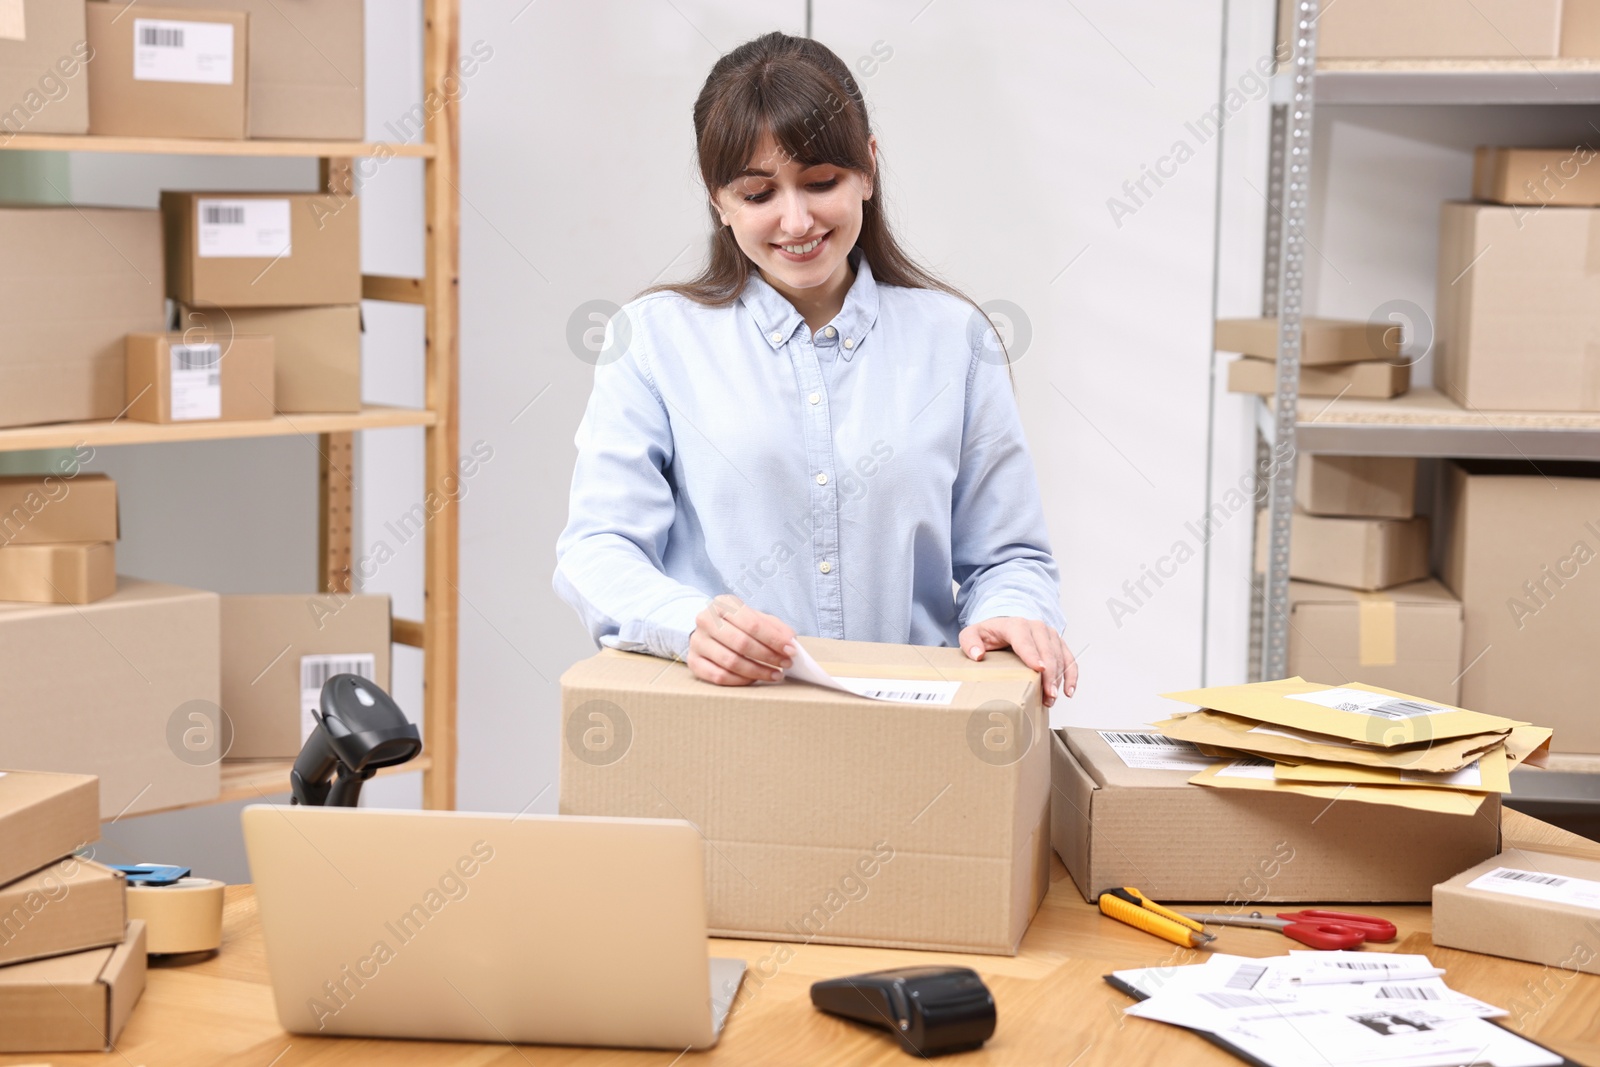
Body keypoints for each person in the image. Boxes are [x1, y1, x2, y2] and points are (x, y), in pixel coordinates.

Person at [554, 32, 1077, 707]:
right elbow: (597, 549)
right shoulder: (653, 339)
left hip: (918, 734)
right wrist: (689, 625)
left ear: (867, 169)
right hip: (724, 725)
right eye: (757, 193)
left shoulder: (955, 340)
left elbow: (1010, 558)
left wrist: (1013, 612)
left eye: (821, 182)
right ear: (719, 201)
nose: (795, 220)